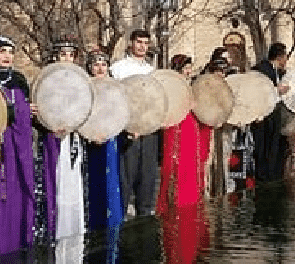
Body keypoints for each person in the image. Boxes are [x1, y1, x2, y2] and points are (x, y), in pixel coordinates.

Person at [0, 36, 58, 263]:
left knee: (17, 191)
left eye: (10, 52)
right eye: (1, 51)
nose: (7, 56)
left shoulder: (18, 80)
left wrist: (30, 113)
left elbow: (28, 114)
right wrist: (17, 110)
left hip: (18, 149)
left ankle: (16, 241)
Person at [110, 29, 158, 216]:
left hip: (149, 131)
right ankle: (120, 226)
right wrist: (128, 126)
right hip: (127, 131)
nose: (142, 47)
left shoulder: (152, 71)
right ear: (131, 43)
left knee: (147, 181)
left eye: (145, 43)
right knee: (125, 180)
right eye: (139, 42)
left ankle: (144, 223)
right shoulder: (118, 68)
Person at [156, 54, 212, 211]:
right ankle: (172, 203)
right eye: (186, 68)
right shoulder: (169, 86)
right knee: (174, 166)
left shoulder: (192, 85)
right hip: (175, 127)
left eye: (189, 68)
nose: (189, 71)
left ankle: (191, 202)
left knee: (191, 165)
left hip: (190, 127)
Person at [49, 40, 86, 241]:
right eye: (63, 54)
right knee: (58, 180)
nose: (67, 59)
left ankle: (74, 229)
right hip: (55, 137)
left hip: (75, 137)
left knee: (74, 181)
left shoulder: (81, 82)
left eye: (70, 55)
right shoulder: (48, 80)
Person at [84, 48, 123, 231]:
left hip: (111, 140)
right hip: (88, 142)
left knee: (111, 183)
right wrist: (90, 135)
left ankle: (113, 225)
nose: (100, 68)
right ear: (90, 67)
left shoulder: (115, 89)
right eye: (96, 64)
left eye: (104, 64)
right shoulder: (83, 88)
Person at [251, 42, 292, 183]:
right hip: (264, 118)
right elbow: (259, 91)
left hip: (274, 116)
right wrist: (276, 90)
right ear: (279, 56)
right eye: (285, 56)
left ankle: (273, 175)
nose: (286, 60)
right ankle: (263, 179)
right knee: (264, 149)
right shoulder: (261, 70)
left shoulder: (278, 71)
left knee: (274, 148)